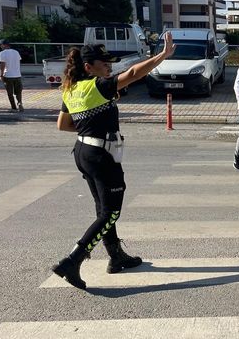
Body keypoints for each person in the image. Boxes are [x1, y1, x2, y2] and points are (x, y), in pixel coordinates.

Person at [52, 33, 176, 289]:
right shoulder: (96, 85)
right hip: (101, 156)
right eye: (103, 62)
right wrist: (162, 56)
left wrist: (89, 126)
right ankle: (72, 261)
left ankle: (116, 256)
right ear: (88, 66)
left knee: (102, 209)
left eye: (109, 62)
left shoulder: (71, 89)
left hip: (83, 152)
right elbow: (132, 74)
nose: (108, 66)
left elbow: (63, 125)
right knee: (111, 212)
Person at [0, 39, 24, 112]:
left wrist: (1, 75)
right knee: (18, 92)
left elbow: (2, 65)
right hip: (17, 75)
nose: (0, 46)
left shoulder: (2, 53)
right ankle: (20, 103)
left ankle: (13, 107)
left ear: (5, 45)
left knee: (10, 93)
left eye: (1, 45)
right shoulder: (16, 52)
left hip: (8, 76)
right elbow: (18, 62)